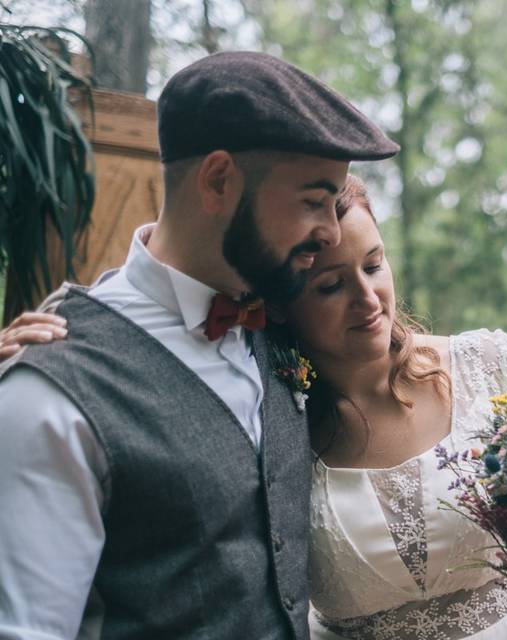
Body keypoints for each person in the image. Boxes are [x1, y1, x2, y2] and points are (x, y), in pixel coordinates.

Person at [0, 173, 507, 640]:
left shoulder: (488, 366)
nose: (368, 298)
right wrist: (65, 341)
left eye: (374, 265)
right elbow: (163, 313)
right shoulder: (269, 410)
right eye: (330, 285)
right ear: (283, 304)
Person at [0, 51, 399, 640]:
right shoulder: (50, 394)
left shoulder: (280, 315)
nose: (331, 232)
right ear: (218, 181)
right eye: (314, 200)